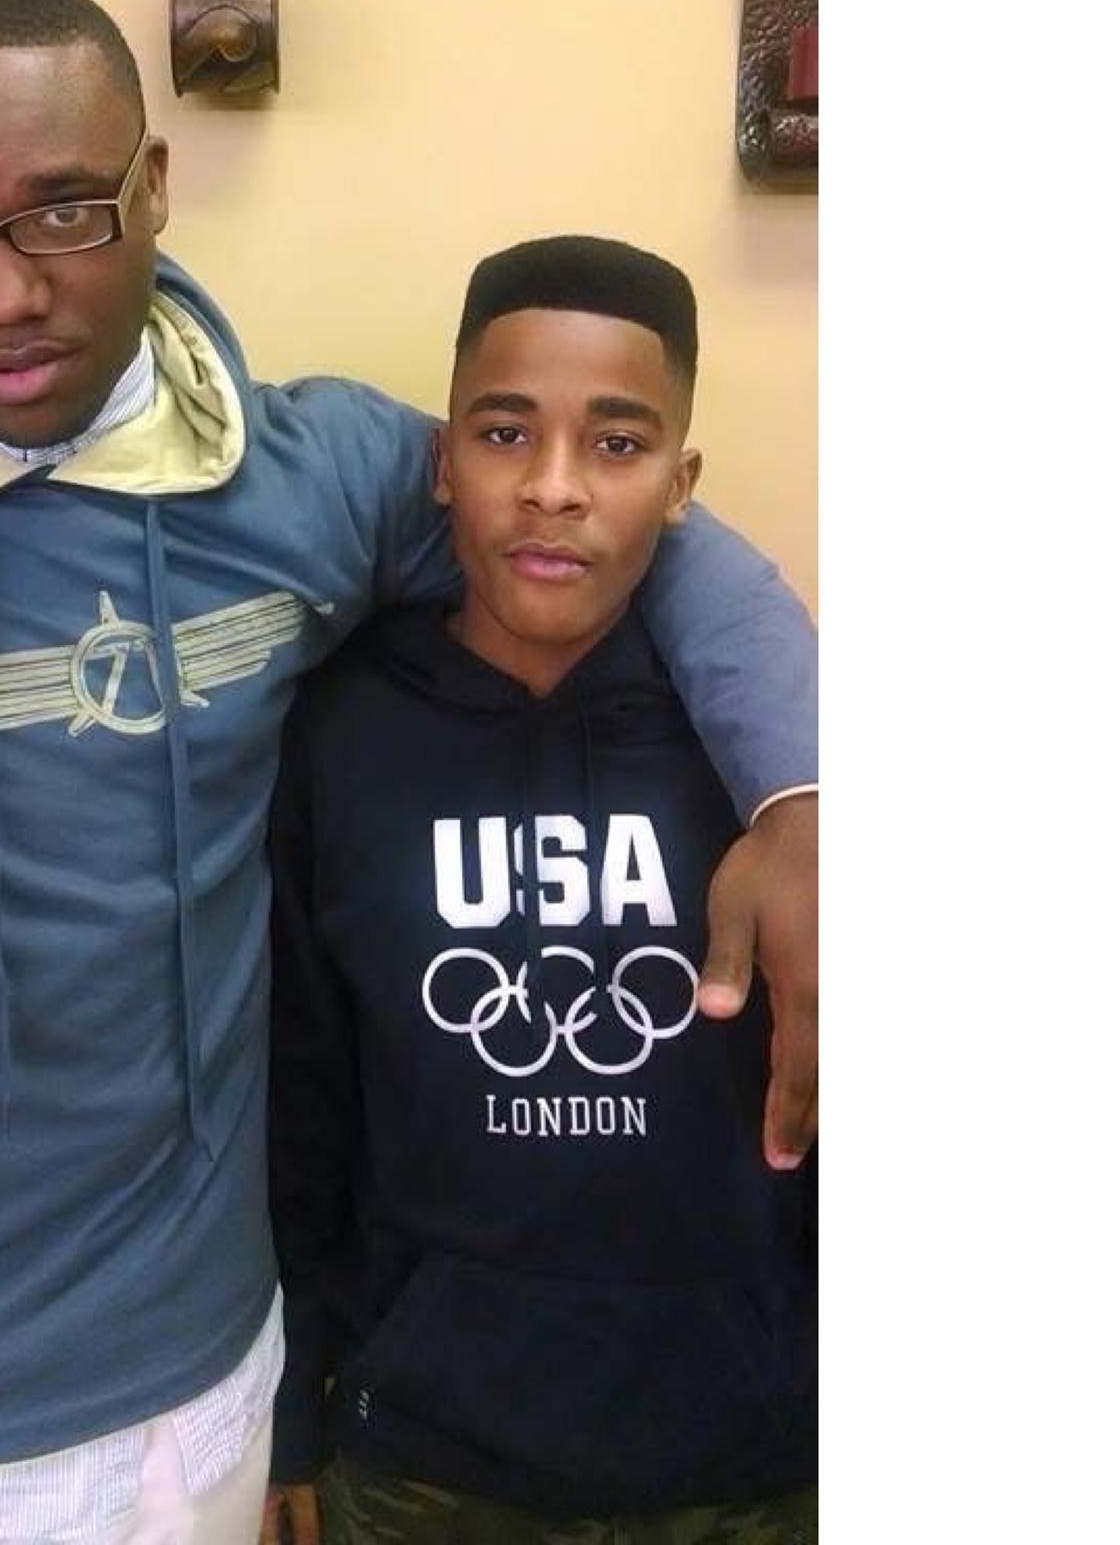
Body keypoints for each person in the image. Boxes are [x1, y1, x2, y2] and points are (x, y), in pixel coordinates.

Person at [0, 0, 819, 1544]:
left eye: (61, 212)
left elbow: (620, 539)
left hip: (207, 1403)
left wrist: (806, 794)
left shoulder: (318, 478)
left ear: (154, 186)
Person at [262, 236, 816, 1545]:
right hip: (427, 1456)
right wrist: (294, 1416)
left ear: (681, 486)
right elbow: (300, 1099)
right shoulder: (338, 732)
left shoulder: (770, 766)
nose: (554, 488)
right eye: (506, 433)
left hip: (751, 1453)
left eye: (617, 446)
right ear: (442, 461)